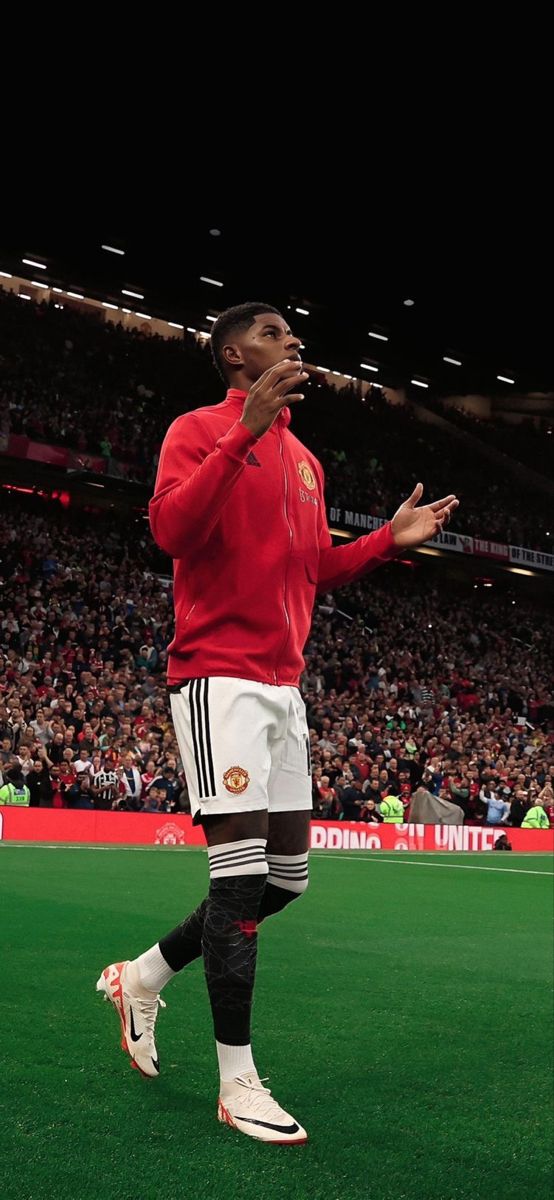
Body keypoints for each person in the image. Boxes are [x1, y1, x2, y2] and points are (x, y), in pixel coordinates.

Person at [96, 301, 458, 1145]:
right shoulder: (196, 429)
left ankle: (144, 975)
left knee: (286, 880)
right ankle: (238, 1081)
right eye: (271, 331)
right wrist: (242, 434)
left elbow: (310, 569)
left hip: (283, 688)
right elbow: (170, 531)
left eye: (293, 333)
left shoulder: (305, 461)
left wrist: (386, 544)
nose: (293, 339)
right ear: (230, 353)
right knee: (237, 886)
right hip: (218, 679)